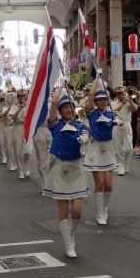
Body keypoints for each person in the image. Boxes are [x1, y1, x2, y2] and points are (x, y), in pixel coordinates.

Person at [43, 90, 90, 258]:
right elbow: (52, 108)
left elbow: (86, 136)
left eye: (70, 107)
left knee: (77, 212)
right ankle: (69, 244)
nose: (68, 110)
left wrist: (83, 140)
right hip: (60, 169)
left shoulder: (80, 125)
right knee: (63, 210)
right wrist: (58, 93)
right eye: (65, 107)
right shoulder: (55, 124)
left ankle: (71, 234)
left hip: (76, 169)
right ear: (61, 111)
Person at [84, 78, 117, 225]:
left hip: (108, 148)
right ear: (96, 103)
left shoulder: (112, 114)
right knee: (100, 184)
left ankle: (104, 208)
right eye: (100, 100)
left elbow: (118, 121)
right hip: (95, 148)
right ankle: (99, 213)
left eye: (105, 100)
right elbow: (90, 97)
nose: (103, 102)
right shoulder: (91, 113)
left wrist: (118, 122)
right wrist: (97, 80)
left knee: (109, 185)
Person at [111, 87, 137, 176]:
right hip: (116, 125)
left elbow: (135, 109)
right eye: (119, 93)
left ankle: (125, 164)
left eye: (122, 93)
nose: (121, 95)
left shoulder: (128, 102)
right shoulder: (113, 103)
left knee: (129, 148)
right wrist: (122, 103)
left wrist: (130, 101)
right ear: (117, 95)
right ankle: (120, 166)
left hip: (126, 125)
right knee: (117, 148)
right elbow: (114, 111)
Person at [10, 89, 31, 179]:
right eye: (20, 96)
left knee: (28, 151)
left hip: (27, 128)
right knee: (18, 151)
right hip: (17, 127)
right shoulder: (14, 106)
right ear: (17, 97)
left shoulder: (29, 105)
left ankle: (26, 168)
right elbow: (13, 118)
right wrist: (20, 107)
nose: (22, 98)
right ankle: (20, 171)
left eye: (24, 96)